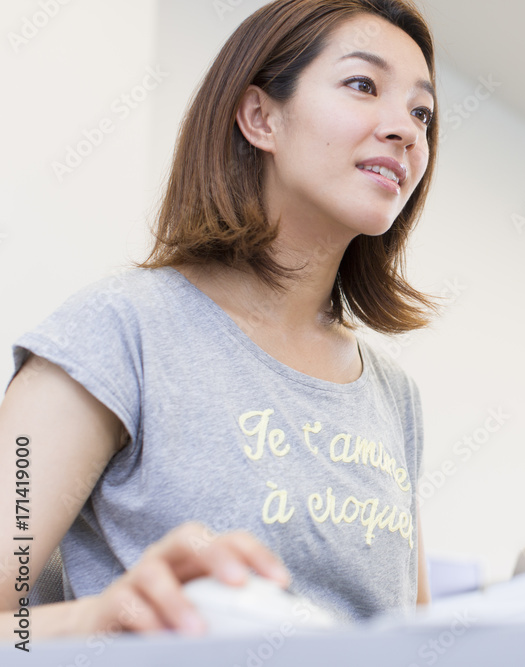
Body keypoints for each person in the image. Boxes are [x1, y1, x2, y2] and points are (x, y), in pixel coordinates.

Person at [0, 0, 439, 639]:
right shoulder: (119, 330)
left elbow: (418, 647)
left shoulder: (394, 396)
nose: (405, 129)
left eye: (422, 112)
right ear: (261, 116)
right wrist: (102, 619)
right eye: (363, 85)